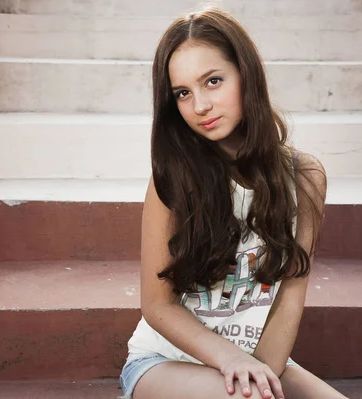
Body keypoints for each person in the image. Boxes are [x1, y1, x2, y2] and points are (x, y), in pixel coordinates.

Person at [119, 6, 347, 399]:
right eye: (183, 93)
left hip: (252, 358)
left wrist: (261, 374)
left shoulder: (305, 176)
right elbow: (157, 307)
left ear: (246, 74)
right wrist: (233, 364)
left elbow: (290, 297)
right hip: (164, 363)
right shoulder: (173, 181)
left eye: (212, 81)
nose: (200, 106)